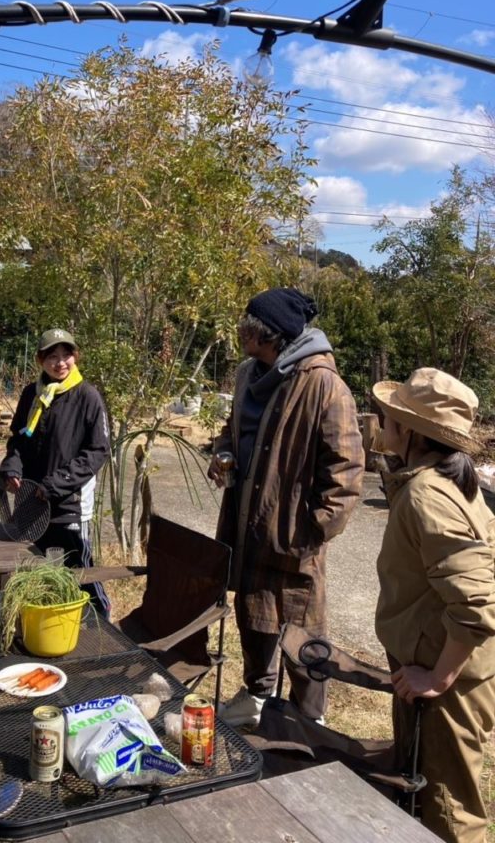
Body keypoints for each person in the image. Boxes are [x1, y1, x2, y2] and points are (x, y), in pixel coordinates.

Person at [209, 287, 363, 726]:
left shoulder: (323, 384)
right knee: (253, 614)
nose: (240, 328)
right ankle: (257, 698)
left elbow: (347, 468)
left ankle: (309, 718)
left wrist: (312, 529)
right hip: (247, 523)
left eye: (247, 323)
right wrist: (223, 453)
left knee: (304, 629)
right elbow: (230, 430)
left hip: (294, 537)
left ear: (267, 334)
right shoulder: (246, 374)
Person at [372, 368, 495, 843]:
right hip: (435, 670)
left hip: (448, 683)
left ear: (411, 432)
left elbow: (476, 602)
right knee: (424, 796)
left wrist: (439, 676)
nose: (382, 419)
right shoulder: (441, 482)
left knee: (451, 815)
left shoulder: (429, 495)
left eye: (391, 415)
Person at [0, 328, 110, 614]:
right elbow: (19, 440)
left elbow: (97, 451)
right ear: (41, 360)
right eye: (53, 356)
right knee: (39, 572)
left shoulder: (88, 396)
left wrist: (55, 484)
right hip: (32, 501)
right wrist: (12, 466)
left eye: (66, 355)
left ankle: (105, 628)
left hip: (69, 504)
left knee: (82, 577)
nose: (60, 363)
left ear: (75, 357)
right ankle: (50, 626)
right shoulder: (31, 394)